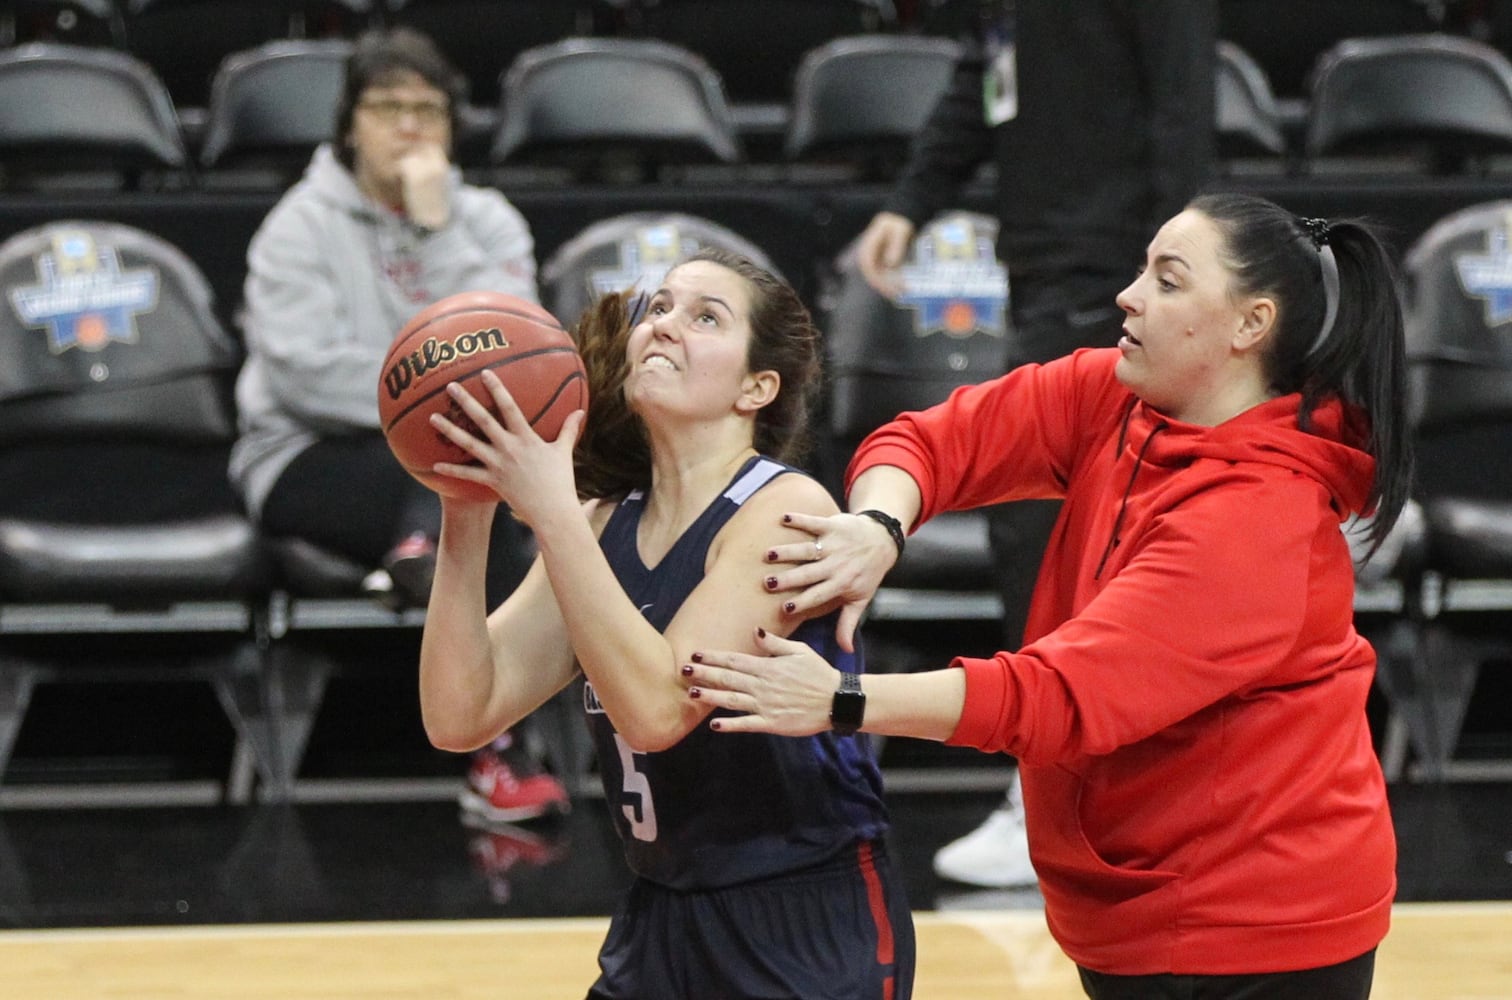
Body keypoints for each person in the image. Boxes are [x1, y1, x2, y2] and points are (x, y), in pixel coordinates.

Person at [685, 192, 1410, 997]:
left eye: (1168, 282)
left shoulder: (1257, 520)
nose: (1129, 295)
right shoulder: (1114, 397)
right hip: (1137, 900)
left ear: (1251, 324)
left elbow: (1060, 698)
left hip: (1250, 924)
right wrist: (877, 528)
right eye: (1142, 270)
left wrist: (841, 699)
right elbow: (930, 441)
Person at [416, 249, 915, 999]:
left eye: (704, 317)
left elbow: (656, 709)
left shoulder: (789, 511)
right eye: (659, 309)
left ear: (758, 387)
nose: (664, 327)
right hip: (661, 912)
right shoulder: (599, 524)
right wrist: (464, 513)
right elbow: (459, 714)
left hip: (803, 916)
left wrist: (551, 510)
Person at [857, 0, 1217, 887]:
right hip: (1049, 264)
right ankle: (1057, 784)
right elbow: (983, 77)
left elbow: (1184, 110)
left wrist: (1175, 278)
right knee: (1033, 524)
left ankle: (1078, 788)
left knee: (1112, 528)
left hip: (1124, 271)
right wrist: (913, 199)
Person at [227, 26, 566, 824]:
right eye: (388, 108)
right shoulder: (297, 226)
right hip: (305, 453)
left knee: (473, 487)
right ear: (349, 124)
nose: (411, 126)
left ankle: (418, 553)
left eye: (429, 109)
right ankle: (500, 763)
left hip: (461, 455)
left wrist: (438, 228)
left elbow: (512, 352)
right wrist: (424, 406)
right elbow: (302, 372)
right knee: (471, 486)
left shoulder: (486, 223)